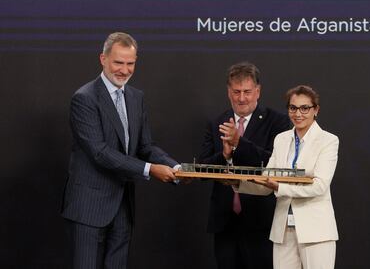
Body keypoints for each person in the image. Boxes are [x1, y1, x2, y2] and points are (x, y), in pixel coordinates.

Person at [61, 32, 179, 269]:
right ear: (102, 59)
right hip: (89, 208)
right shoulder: (84, 98)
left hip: (123, 208)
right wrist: (149, 169)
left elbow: (146, 146)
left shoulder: (136, 97)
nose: (124, 70)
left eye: (130, 63)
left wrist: (176, 167)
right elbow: (100, 152)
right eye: (118, 62)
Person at [199, 62, 290, 269]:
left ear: (258, 91)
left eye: (247, 92)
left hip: (261, 222)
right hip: (224, 223)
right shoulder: (217, 123)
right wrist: (224, 155)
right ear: (228, 92)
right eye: (236, 92)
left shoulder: (278, 123)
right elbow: (203, 170)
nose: (241, 98)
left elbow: (275, 164)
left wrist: (240, 143)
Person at [237, 85, 339, 269]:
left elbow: (319, 186)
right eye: (293, 108)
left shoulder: (328, 140)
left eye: (304, 108)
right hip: (283, 230)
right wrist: (238, 183)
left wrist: (280, 187)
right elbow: (267, 181)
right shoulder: (281, 139)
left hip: (316, 231)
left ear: (316, 110)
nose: (298, 113)